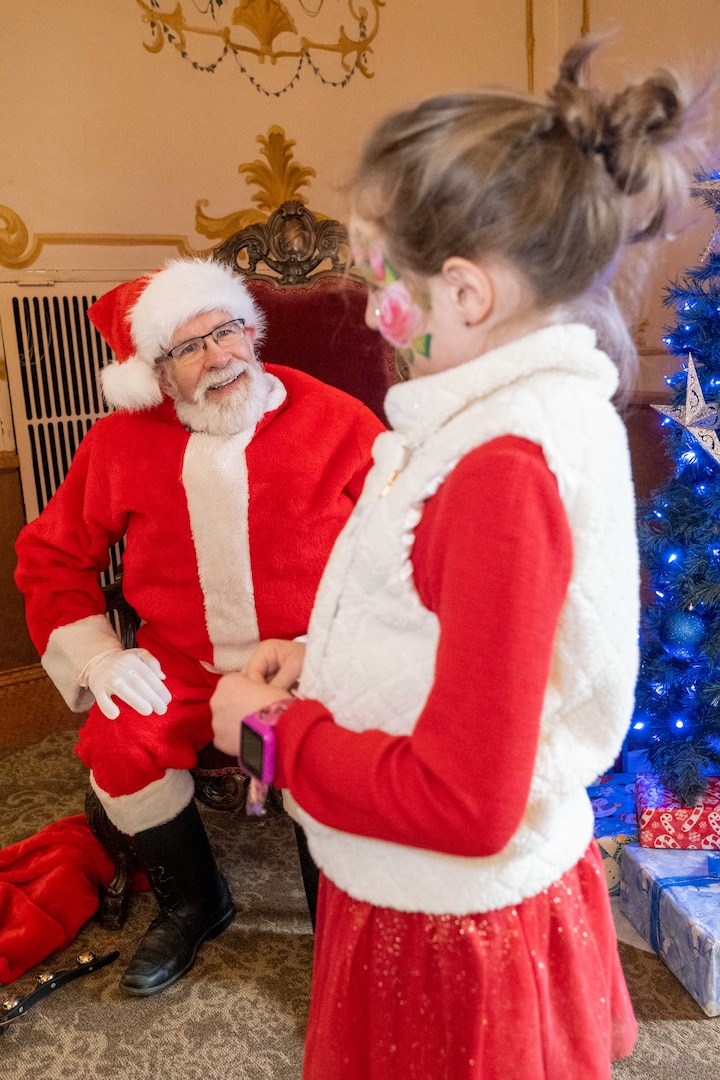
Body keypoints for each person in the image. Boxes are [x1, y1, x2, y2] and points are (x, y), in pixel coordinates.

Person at [210, 37, 712, 1080]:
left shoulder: (499, 469)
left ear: (468, 295)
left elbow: (466, 807)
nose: (364, 297)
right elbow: (445, 626)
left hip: (447, 930)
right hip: (433, 889)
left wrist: (266, 735)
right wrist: (323, 659)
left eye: (376, 268)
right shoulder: (482, 419)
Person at [13, 255, 385, 996]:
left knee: (323, 744)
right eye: (189, 348)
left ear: (252, 330)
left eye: (226, 331)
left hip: (314, 657)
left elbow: (403, 551)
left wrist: (332, 648)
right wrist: (99, 659)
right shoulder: (120, 442)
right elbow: (51, 555)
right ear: (157, 372)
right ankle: (195, 901)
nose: (218, 357)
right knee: (121, 737)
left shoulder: (338, 420)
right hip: (178, 663)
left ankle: (336, 923)